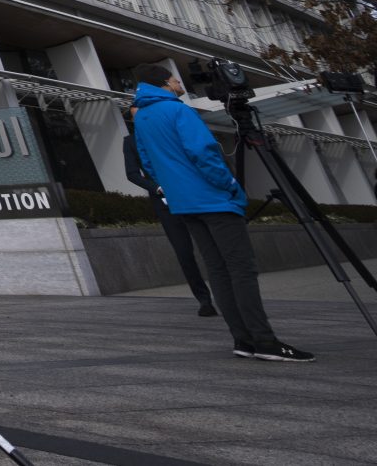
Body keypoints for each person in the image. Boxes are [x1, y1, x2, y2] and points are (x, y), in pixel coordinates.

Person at [128, 60, 312, 363]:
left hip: (184, 204)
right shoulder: (178, 110)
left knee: (217, 271)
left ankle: (242, 339)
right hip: (212, 199)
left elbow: (148, 163)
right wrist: (227, 183)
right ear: (163, 83)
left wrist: (172, 188)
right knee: (241, 269)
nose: (179, 84)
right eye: (175, 80)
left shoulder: (144, 118)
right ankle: (264, 340)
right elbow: (203, 151)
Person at [119, 101, 216, 317]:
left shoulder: (166, 134)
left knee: (209, 246)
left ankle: (225, 293)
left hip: (192, 197)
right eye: (136, 117)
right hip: (165, 204)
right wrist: (157, 188)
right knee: (184, 253)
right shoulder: (130, 142)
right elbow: (132, 174)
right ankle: (203, 299)